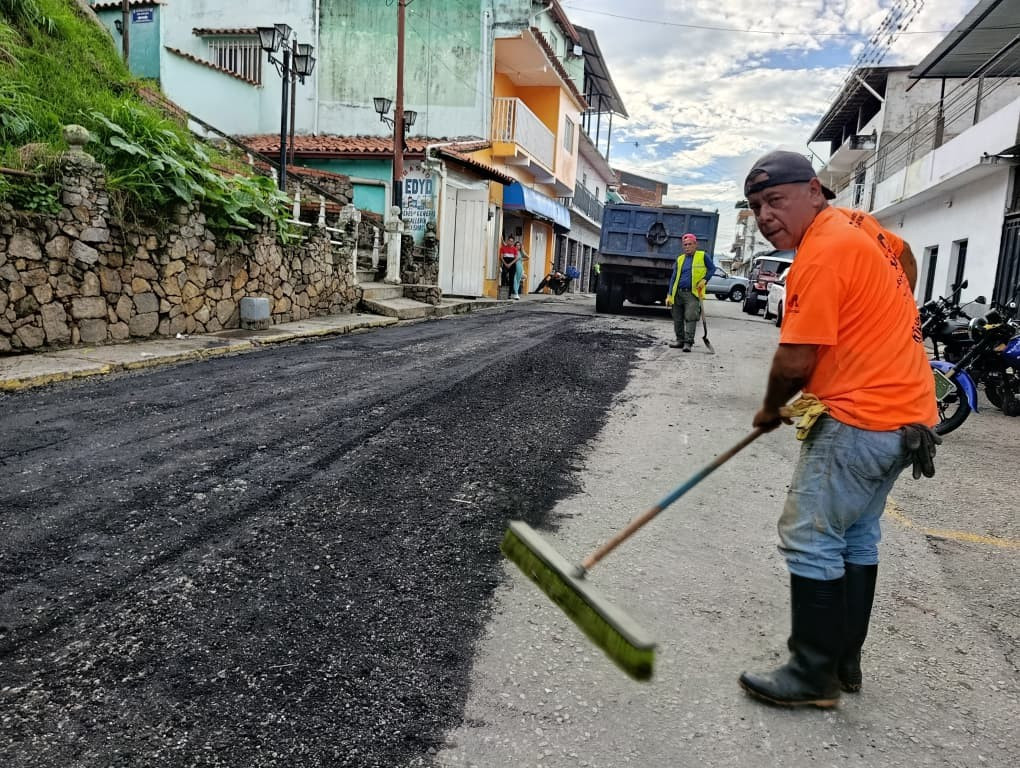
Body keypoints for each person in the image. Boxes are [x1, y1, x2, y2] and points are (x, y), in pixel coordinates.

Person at [738, 149, 940, 709]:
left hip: (860, 419)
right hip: (908, 418)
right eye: (757, 206)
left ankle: (812, 674)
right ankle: (844, 661)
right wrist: (885, 310)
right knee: (855, 535)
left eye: (775, 200)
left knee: (810, 536)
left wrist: (769, 408)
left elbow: (796, 360)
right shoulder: (860, 227)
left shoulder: (823, 252)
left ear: (813, 191)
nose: (766, 215)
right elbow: (905, 259)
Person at [665, 234, 714, 351]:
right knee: (677, 318)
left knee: (691, 317)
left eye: (690, 244)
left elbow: (712, 269)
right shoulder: (680, 259)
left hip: (692, 293)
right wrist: (669, 294)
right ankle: (680, 340)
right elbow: (674, 277)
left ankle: (688, 343)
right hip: (678, 293)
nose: (687, 247)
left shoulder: (702, 256)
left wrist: (704, 280)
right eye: (685, 245)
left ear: (695, 245)